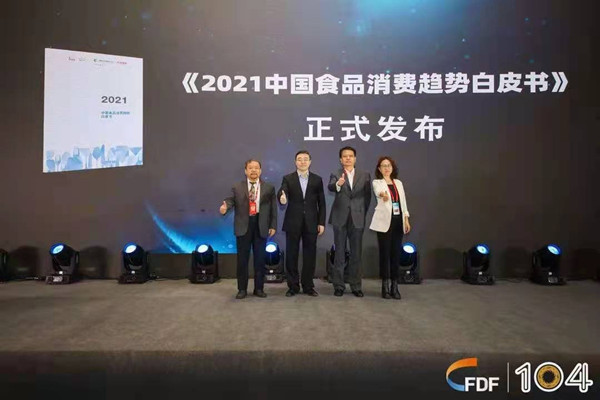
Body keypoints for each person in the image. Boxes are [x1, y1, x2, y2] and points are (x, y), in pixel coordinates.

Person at [220, 159, 277, 299]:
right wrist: (225, 206)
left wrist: (272, 225)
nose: (253, 170)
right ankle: (242, 289)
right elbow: (231, 200)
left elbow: (273, 209)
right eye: (250, 168)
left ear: (260, 171)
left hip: (261, 225)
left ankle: (259, 288)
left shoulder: (269, 188)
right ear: (245, 171)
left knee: (260, 259)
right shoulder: (237, 187)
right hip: (243, 226)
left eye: (256, 168)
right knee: (242, 260)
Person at [278, 150, 326, 297]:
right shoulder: (288, 178)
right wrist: (282, 198)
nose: (303, 162)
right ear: (295, 162)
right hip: (293, 221)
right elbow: (282, 191)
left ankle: (308, 286)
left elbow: (322, 203)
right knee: (291, 254)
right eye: (299, 159)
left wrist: (321, 222)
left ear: (310, 162)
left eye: (305, 159)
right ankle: (293, 286)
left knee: (310, 255)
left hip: (312, 222)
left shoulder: (317, 179)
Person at [327, 146, 371, 297]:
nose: (348, 158)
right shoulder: (336, 174)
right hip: (340, 217)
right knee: (339, 253)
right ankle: (339, 286)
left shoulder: (365, 175)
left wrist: (361, 213)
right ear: (341, 159)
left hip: (357, 218)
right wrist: (338, 184)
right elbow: (331, 186)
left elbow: (367, 197)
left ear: (355, 158)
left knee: (356, 254)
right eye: (345, 156)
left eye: (350, 156)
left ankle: (356, 285)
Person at [369, 156, 411, 299]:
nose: (386, 168)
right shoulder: (377, 182)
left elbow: (403, 202)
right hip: (384, 223)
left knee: (395, 254)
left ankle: (395, 285)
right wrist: (383, 195)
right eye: (383, 166)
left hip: (398, 221)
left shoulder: (398, 183)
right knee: (385, 254)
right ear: (379, 169)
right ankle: (385, 285)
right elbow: (378, 192)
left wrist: (406, 218)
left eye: (389, 165)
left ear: (392, 168)